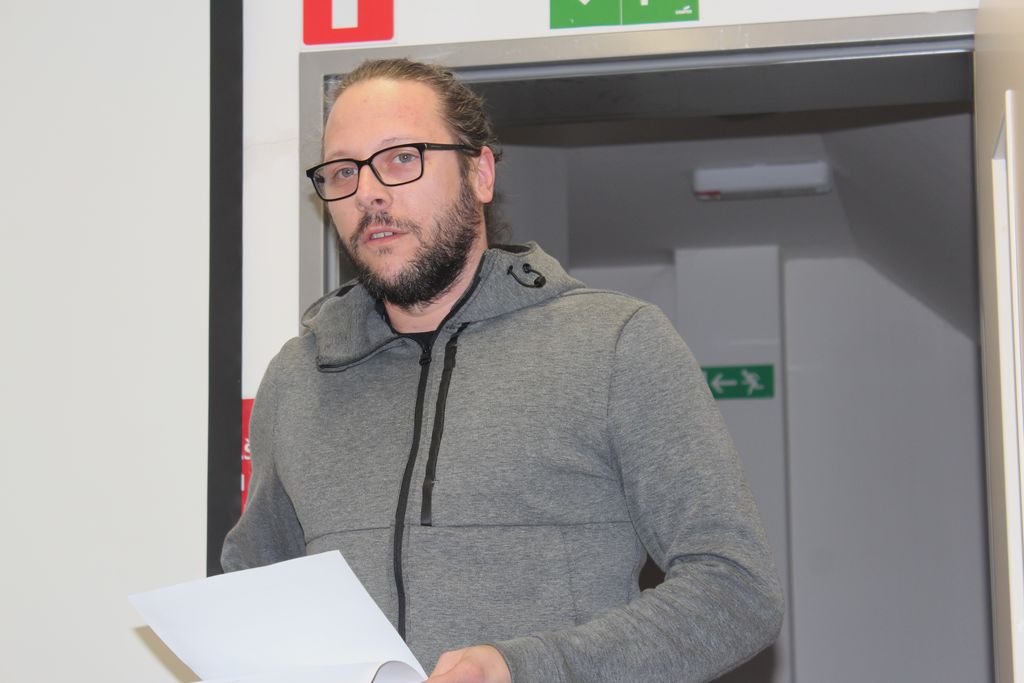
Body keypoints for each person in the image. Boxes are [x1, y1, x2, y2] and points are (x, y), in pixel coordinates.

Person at [222, 58, 783, 683]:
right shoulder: (298, 378)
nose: (369, 193)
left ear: (480, 173)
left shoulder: (615, 343)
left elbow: (736, 593)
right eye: (344, 171)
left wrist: (528, 668)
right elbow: (256, 597)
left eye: (402, 158)